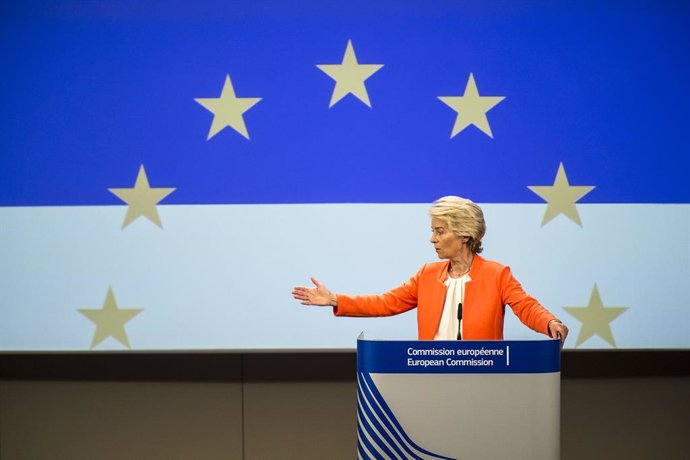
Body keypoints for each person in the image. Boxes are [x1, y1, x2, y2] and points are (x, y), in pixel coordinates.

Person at [292, 196, 568, 345]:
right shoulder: (426, 274)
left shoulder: (497, 274)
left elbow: (526, 306)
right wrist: (335, 299)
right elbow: (386, 303)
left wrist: (549, 323)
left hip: (483, 374)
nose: (432, 239)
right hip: (430, 373)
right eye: (432, 231)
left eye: (440, 231)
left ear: (464, 234)